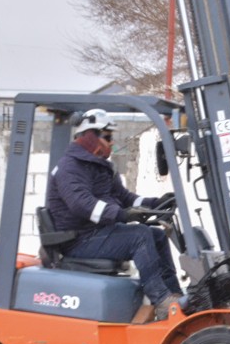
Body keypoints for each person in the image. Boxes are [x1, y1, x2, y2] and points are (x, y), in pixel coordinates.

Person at [45, 108, 184, 321]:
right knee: (139, 236)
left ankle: (174, 295)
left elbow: (125, 198)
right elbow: (82, 204)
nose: (111, 142)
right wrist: (120, 214)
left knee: (155, 235)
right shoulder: (70, 167)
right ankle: (161, 300)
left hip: (98, 232)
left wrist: (157, 203)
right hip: (79, 239)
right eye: (108, 137)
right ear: (90, 136)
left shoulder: (100, 167)